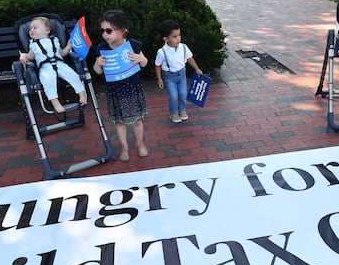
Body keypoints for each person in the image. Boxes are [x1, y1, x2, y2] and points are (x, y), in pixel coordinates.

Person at [91, 10, 149, 161]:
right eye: (102, 30)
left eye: (109, 30)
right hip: (115, 91)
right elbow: (97, 71)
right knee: (120, 122)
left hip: (132, 89)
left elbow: (145, 63)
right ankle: (124, 148)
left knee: (137, 121)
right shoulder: (101, 49)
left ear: (122, 31)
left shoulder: (133, 46)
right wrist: (98, 64)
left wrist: (140, 59)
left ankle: (140, 143)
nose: (105, 34)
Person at [19, 16, 87, 118]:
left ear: (47, 30)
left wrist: (68, 46)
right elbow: (30, 56)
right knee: (48, 81)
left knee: (73, 75)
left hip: (60, 64)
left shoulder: (54, 40)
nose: (31, 30)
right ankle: (56, 103)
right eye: (30, 29)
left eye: (35, 28)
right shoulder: (33, 45)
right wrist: (24, 56)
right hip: (45, 67)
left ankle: (82, 95)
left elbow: (62, 53)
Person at [154, 19, 203, 124]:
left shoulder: (183, 47)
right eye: (174, 36)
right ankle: (174, 113)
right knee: (173, 95)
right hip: (169, 77)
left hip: (181, 75)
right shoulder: (162, 52)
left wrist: (197, 69)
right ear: (166, 39)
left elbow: (190, 58)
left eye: (179, 35)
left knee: (182, 93)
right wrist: (159, 79)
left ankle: (182, 110)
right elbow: (157, 65)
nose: (178, 39)